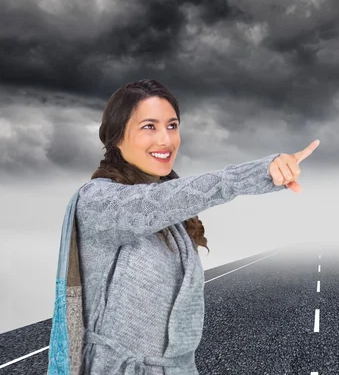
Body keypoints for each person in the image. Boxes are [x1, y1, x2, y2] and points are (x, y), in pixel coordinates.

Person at [47, 79, 319, 374]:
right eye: (149, 126)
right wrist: (257, 172)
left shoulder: (173, 218)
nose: (165, 139)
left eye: (172, 126)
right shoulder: (98, 202)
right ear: (116, 137)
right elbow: (155, 202)